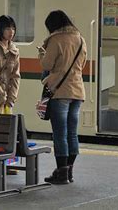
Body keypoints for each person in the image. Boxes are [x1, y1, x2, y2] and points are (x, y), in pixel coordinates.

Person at [38, 10, 87, 185]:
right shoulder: (80, 39)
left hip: (60, 93)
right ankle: (69, 171)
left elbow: (47, 64)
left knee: (60, 134)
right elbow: (82, 64)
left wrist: (42, 54)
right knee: (72, 134)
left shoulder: (56, 40)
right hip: (78, 92)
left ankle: (61, 173)